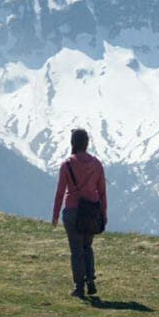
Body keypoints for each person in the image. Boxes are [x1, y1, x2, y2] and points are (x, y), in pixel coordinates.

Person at [50, 128, 107, 299]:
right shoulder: (96, 164)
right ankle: (90, 280)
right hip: (91, 211)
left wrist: (55, 214)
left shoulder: (67, 164)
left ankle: (79, 286)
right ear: (87, 143)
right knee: (87, 247)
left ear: (73, 143)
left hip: (72, 211)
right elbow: (102, 191)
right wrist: (103, 213)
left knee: (76, 250)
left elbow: (60, 192)